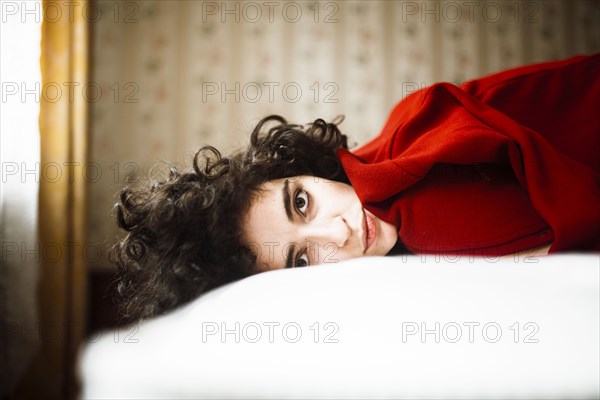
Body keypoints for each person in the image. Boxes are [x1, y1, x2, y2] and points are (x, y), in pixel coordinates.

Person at [112, 53, 600, 322]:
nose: (337, 232)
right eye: (301, 260)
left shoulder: (421, 132)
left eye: (300, 202)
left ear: (303, 169)